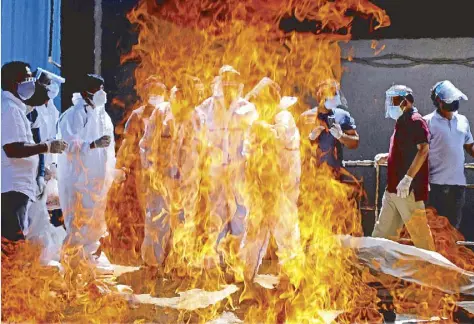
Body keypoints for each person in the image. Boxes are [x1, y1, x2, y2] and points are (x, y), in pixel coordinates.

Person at [240, 77, 302, 285]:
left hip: (282, 190)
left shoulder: (283, 118)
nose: (257, 105)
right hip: (260, 189)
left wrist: (264, 130)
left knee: (286, 234)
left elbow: (281, 141)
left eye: (260, 100)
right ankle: (245, 274)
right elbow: (247, 152)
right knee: (253, 232)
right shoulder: (257, 122)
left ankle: (293, 280)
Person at [1, 61, 67, 248]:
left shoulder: (16, 108)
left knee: (16, 240)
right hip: (13, 187)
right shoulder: (11, 110)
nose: (32, 83)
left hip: (20, 187)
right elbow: (13, 149)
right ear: (15, 83)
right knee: (12, 244)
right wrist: (46, 147)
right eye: (27, 78)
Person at [57, 74, 119, 272]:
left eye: (103, 88)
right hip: (78, 179)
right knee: (78, 220)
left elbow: (109, 148)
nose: (102, 93)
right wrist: (91, 144)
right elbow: (66, 144)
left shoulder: (103, 115)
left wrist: (112, 170)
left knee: (95, 220)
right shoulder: (74, 115)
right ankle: (73, 264)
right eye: (98, 88)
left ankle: (90, 258)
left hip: (97, 179)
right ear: (86, 92)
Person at [140, 80, 203, 267]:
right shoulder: (160, 113)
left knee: (184, 222)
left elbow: (198, 151)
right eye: (178, 94)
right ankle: (153, 264)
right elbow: (147, 144)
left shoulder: (196, 117)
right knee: (157, 220)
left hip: (186, 182)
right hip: (161, 179)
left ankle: (179, 265)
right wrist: (152, 171)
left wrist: (190, 179)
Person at [194, 65, 258, 250]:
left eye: (232, 82)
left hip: (240, 172)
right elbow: (196, 137)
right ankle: (217, 260)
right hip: (215, 173)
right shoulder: (207, 107)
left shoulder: (248, 109)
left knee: (240, 214)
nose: (228, 86)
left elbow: (255, 140)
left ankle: (239, 260)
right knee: (216, 214)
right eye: (225, 82)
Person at [105, 78, 167, 258]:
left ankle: (164, 250)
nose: (155, 96)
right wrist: (121, 166)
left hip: (166, 169)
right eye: (152, 93)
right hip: (143, 169)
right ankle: (143, 248)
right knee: (145, 207)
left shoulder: (169, 113)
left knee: (165, 209)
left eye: (158, 93)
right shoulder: (137, 116)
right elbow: (128, 143)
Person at [372, 85, 435, 251]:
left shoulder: (415, 121)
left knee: (420, 237)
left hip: (408, 191)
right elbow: (406, 149)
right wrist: (389, 157)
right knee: (382, 233)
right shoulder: (402, 121)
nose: (390, 105)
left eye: (393, 101)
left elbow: (423, 150)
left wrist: (407, 179)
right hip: (393, 189)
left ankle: (434, 272)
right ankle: (375, 270)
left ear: (405, 101)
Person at [424, 81, 472, 229]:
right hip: (435, 185)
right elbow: (418, 152)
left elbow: (469, 146)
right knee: (435, 231)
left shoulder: (463, 121)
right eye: (450, 100)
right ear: (439, 101)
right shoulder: (427, 122)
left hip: (458, 186)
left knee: (453, 231)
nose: (455, 103)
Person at [299, 79, 359, 177]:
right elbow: (295, 147)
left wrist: (341, 136)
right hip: (309, 177)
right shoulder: (306, 117)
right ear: (320, 96)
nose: (335, 97)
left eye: (336, 93)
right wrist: (310, 138)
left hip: (334, 176)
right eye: (332, 93)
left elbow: (355, 143)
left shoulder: (342, 116)